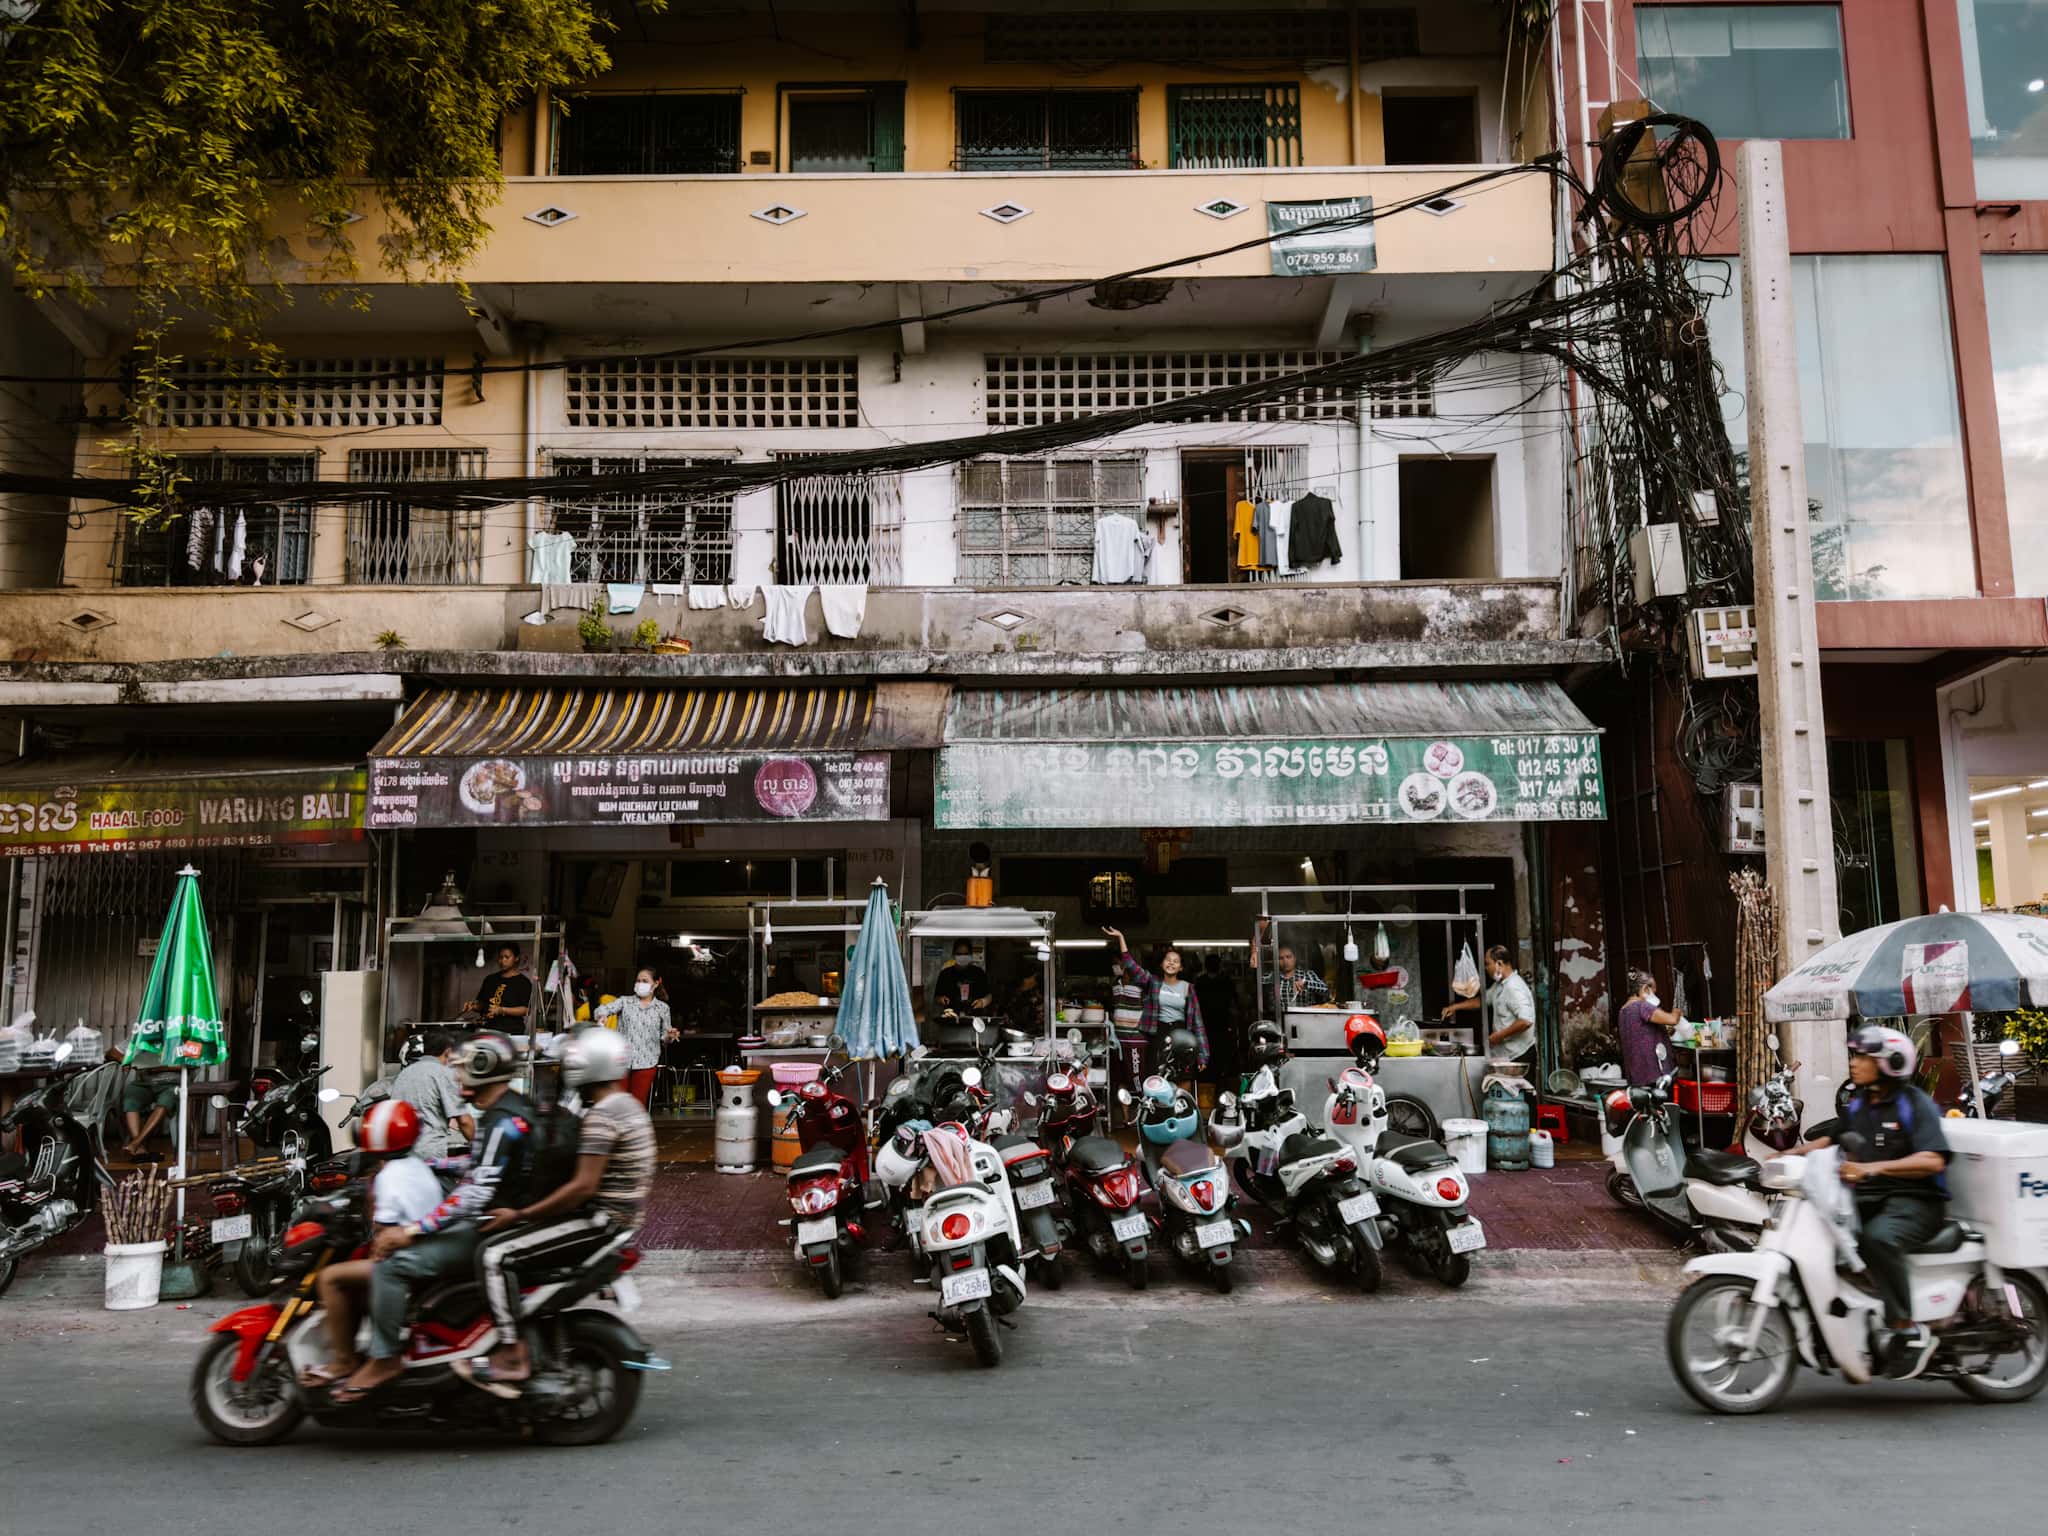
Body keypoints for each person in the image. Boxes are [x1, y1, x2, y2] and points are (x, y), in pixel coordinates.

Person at [336, 1031, 534, 1403]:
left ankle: (384, 1357)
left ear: (482, 1067)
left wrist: (411, 1231)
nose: (455, 1077)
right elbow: (477, 1164)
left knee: (390, 1264)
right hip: (489, 1220)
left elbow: (475, 1191)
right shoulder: (505, 1112)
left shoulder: (502, 1121)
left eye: (461, 1069)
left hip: (489, 1228)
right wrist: (431, 1162)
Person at [460, 1027, 655, 1393]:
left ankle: (512, 1352)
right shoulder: (627, 1105)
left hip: (599, 1221)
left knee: (495, 1255)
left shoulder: (603, 1116)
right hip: (620, 1220)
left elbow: (582, 1186)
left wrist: (521, 1215)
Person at [1794, 1023, 1950, 1374]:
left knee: (1878, 1238)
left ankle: (1905, 1328)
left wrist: (1871, 1169)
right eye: (1855, 1055)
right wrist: (1790, 1155)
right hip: (1872, 1200)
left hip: (1918, 1202)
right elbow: (1830, 1139)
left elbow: (1933, 1160)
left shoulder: (1915, 1104)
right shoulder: (1861, 1104)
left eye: (1863, 1057)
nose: (1854, 1063)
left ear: (1890, 1062)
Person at [299, 1098, 444, 1388]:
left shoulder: (389, 1176)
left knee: (330, 1278)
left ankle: (343, 1361)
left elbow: (386, 1235)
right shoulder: (418, 1166)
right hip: (427, 1248)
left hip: (408, 1257)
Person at [1101, 928, 1210, 1071]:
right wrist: (1121, 938)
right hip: (1158, 1034)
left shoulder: (1187, 988)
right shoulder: (1153, 982)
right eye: (1168, 960)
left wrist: (1203, 1055)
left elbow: (1198, 1023)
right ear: (1161, 964)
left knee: (1183, 1078)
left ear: (1181, 967)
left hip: (1182, 1034)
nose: (1171, 963)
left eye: (1175, 961)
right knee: (1156, 1078)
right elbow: (1131, 967)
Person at [592, 967, 679, 1108]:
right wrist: (602, 1015)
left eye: (645, 981)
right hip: (621, 1061)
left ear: (656, 983)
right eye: (638, 981)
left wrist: (670, 1035)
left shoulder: (662, 1008)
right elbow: (601, 1010)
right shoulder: (624, 1002)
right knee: (616, 1105)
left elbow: (664, 1038)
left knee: (637, 1107)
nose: (640, 983)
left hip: (647, 1062)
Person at [1441, 944, 1536, 1062]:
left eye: (1487, 963)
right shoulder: (1500, 985)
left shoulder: (1513, 987)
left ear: (1499, 964)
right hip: (1506, 1054)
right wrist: (1455, 1007)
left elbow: (1526, 1021)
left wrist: (1499, 1036)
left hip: (1519, 1055)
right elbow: (1482, 1001)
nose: (1486, 968)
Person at [389, 1029, 475, 1159]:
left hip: (400, 1152)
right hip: (429, 1153)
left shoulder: (404, 1074)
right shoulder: (444, 1074)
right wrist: (480, 1148)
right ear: (448, 1051)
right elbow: (464, 1121)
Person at [1618, 969, 1683, 1086]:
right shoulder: (1642, 1006)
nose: (1655, 994)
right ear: (1644, 989)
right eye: (1653, 991)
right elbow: (1672, 1020)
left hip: (1636, 1074)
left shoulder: (1624, 1010)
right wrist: (1677, 1011)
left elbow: (1642, 1031)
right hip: (1653, 1074)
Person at [118, 1064, 180, 1158]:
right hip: (145, 1083)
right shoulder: (145, 1048)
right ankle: (139, 1147)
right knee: (130, 1098)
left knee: (165, 1100)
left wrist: (158, 1067)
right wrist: (130, 1061)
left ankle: (136, 1143)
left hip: (172, 1083)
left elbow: (191, 1064)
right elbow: (112, 1052)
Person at [464, 945, 533, 1025]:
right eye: (500, 957)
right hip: (487, 1028)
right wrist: (474, 1006)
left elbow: (526, 1010)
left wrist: (502, 1010)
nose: (503, 960)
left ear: (516, 958)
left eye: (507, 957)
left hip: (510, 1030)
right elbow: (482, 1004)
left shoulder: (523, 982)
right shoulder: (490, 979)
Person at [931, 940, 992, 1019]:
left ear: (971, 955)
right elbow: (936, 997)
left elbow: (989, 996)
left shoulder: (979, 973)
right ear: (953, 955)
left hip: (975, 1020)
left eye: (966, 954)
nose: (962, 956)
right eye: (959, 954)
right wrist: (941, 999)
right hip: (951, 1018)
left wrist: (983, 1002)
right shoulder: (945, 974)